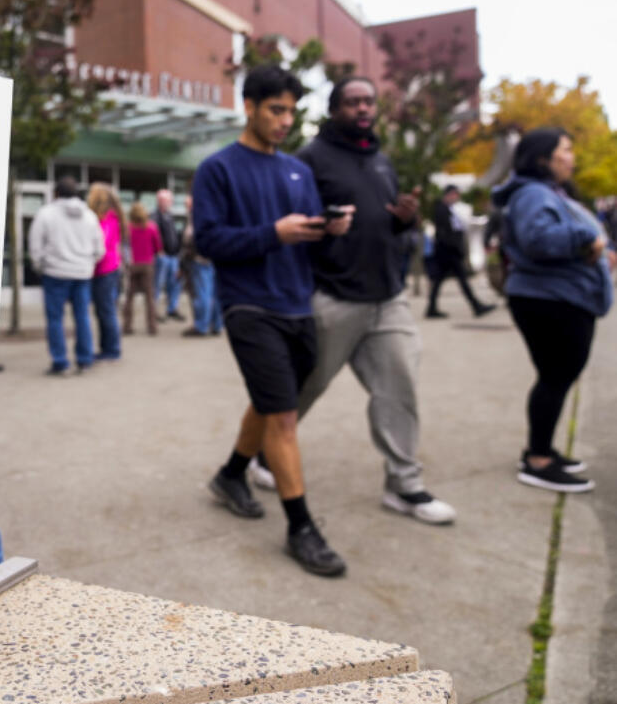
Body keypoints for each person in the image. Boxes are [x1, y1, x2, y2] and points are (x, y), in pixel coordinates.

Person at [252, 76, 456, 525]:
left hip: (388, 298)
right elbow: (293, 227)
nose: (363, 108)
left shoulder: (381, 160)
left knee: (399, 387)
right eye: (353, 102)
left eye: (369, 101)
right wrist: (323, 229)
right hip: (332, 296)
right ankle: (265, 456)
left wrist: (404, 221)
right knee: (305, 387)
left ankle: (405, 486)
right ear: (335, 109)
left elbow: (380, 224)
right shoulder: (309, 160)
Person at [194, 64, 353, 577]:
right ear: (250, 107)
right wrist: (272, 234)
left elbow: (301, 233)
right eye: (276, 110)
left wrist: (329, 229)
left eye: (291, 111)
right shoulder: (217, 169)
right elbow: (209, 241)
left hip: (297, 304)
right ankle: (301, 527)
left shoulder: (298, 171)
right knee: (283, 414)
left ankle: (231, 474)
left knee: (271, 401)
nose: (285, 120)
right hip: (248, 304)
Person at [492, 127, 612, 492]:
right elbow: (539, 240)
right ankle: (538, 460)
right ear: (544, 158)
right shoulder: (533, 193)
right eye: (566, 150)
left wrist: (600, 252)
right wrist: (587, 238)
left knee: (556, 377)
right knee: (555, 377)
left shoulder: (548, 193)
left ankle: (540, 449)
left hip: (558, 296)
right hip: (550, 299)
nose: (571, 157)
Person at [28, 177, 104, 375]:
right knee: (82, 317)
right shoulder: (89, 216)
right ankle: (85, 360)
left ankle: (60, 362)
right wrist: (88, 263)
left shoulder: (46, 214)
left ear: (56, 193)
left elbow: (35, 245)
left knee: (55, 319)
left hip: (55, 273)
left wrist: (40, 265)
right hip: (82, 273)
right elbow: (100, 248)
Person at [426, 185, 496, 318]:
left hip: (449, 251)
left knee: (441, 280)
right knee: (460, 279)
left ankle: (432, 308)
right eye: (455, 194)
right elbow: (444, 233)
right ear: (449, 194)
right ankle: (476, 306)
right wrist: (454, 247)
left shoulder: (449, 209)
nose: (456, 197)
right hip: (448, 252)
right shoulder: (441, 209)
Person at [87, 183, 125, 361]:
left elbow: (101, 244)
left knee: (107, 310)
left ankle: (112, 350)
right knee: (104, 311)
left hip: (105, 270)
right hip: (106, 269)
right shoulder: (111, 218)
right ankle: (107, 348)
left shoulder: (107, 219)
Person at [181, 194, 222, 337]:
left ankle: (202, 326)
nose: (186, 207)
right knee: (214, 294)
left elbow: (190, 236)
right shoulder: (216, 211)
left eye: (188, 204)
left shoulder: (197, 216)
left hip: (201, 259)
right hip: (214, 259)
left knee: (203, 294)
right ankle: (216, 325)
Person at [123, 201, 161, 335]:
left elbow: (124, 246)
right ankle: (152, 327)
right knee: (149, 297)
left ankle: (127, 326)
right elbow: (158, 247)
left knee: (129, 297)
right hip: (147, 264)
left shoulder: (128, 228)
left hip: (133, 264)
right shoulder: (151, 227)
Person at [153, 190, 185, 320]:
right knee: (158, 284)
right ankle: (154, 311)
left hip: (174, 256)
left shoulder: (169, 216)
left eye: (169, 200)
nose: (168, 203)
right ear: (159, 201)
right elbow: (154, 236)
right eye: (165, 200)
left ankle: (172, 308)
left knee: (175, 283)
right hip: (163, 256)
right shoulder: (155, 216)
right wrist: (159, 251)